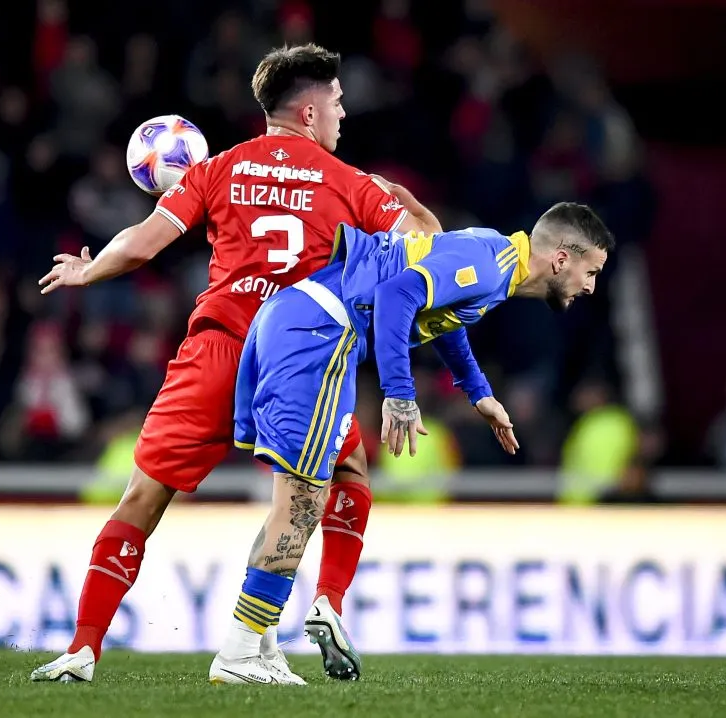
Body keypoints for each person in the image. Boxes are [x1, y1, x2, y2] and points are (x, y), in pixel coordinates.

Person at [31, 43, 441, 684]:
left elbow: (142, 245)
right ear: (308, 112)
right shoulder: (350, 182)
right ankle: (296, 619)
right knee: (328, 483)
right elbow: (426, 256)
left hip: (217, 348)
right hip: (298, 357)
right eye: (336, 101)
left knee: (142, 496)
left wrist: (89, 270)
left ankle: (82, 649)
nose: (343, 113)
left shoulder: (219, 168)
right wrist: (413, 208)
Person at [217, 202, 613, 684]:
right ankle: (239, 650)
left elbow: (446, 319)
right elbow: (396, 295)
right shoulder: (490, 265)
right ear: (561, 260)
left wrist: (478, 392)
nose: (590, 286)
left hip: (298, 319)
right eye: (590, 271)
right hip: (318, 332)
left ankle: (274, 636)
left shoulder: (495, 258)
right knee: (302, 501)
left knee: (347, 473)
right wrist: (399, 395)